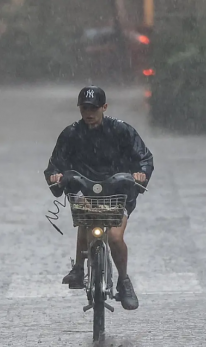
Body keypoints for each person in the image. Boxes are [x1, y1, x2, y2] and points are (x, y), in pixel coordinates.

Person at [44, 86, 154, 310]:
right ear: (79, 109)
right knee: (83, 213)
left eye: (94, 108)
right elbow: (55, 164)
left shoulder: (122, 130)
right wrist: (56, 175)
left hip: (118, 191)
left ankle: (124, 281)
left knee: (114, 238)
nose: (89, 113)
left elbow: (144, 157)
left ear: (104, 107)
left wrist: (139, 174)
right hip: (84, 189)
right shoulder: (71, 134)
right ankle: (79, 267)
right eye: (85, 108)